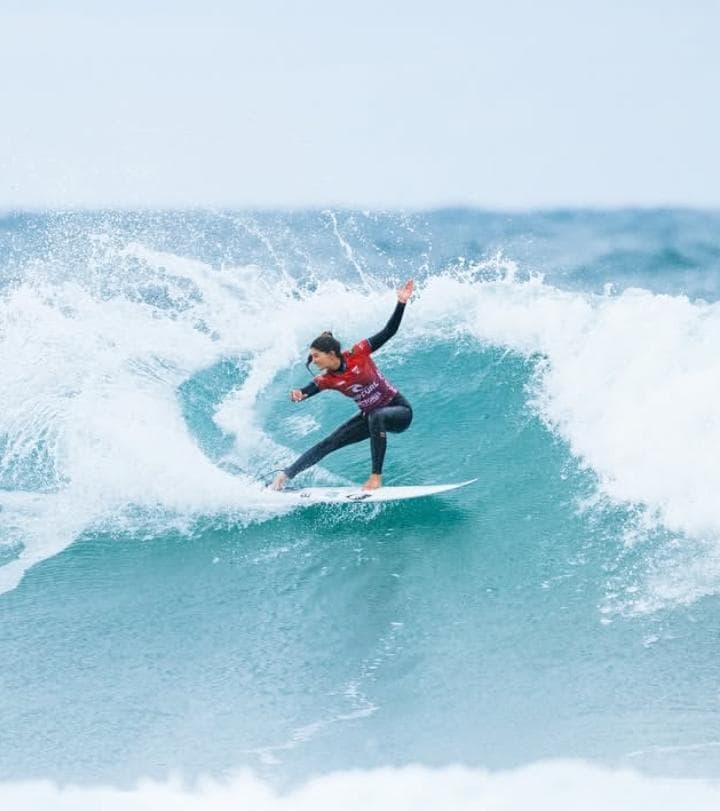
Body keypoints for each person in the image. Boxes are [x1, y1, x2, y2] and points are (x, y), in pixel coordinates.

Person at [272, 280, 414, 491]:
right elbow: (308, 390)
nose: (313, 361)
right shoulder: (327, 379)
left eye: (316, 356)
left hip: (399, 411)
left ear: (331, 354)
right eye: (312, 357)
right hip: (371, 417)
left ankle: (375, 478)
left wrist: (401, 303)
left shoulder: (359, 352)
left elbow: (389, 331)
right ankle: (285, 476)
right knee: (330, 442)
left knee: (376, 415)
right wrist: (299, 394)